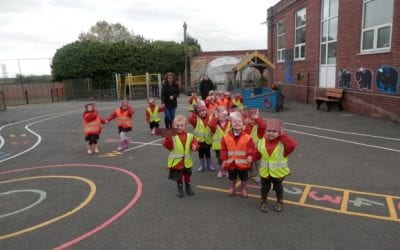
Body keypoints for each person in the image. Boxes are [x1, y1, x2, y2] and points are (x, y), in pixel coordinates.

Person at [254, 118, 297, 213]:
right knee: (264, 188)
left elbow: (293, 145)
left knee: (278, 187)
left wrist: (283, 135)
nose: (271, 133)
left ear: (279, 132)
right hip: (265, 172)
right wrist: (251, 159)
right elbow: (257, 153)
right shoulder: (262, 141)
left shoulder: (283, 144)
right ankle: (263, 201)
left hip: (278, 173)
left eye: (274, 131)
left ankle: (279, 201)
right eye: (269, 131)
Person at [220, 111, 255, 197]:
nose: (237, 123)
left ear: (243, 124)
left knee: (244, 178)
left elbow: (251, 147)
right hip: (231, 162)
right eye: (234, 121)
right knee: (232, 177)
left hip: (243, 163)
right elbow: (223, 150)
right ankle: (232, 188)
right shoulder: (225, 137)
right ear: (231, 124)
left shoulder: (248, 137)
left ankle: (243, 189)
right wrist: (224, 160)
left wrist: (250, 155)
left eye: (239, 121)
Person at [162, 115, 199, 197]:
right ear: (173, 126)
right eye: (177, 126)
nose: (179, 127)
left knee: (187, 175)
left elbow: (194, 142)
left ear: (185, 126)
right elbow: (168, 146)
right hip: (177, 162)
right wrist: (167, 138)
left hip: (187, 161)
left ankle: (188, 187)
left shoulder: (190, 135)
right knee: (179, 177)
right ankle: (180, 189)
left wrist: (195, 146)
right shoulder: (172, 136)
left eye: (182, 125)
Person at [188, 101, 215, 172]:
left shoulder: (210, 117)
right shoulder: (196, 119)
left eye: (204, 111)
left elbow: (213, 125)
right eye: (200, 111)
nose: (202, 112)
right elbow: (190, 119)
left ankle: (209, 165)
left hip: (208, 140)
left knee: (208, 153)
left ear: (206, 110)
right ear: (197, 113)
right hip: (199, 140)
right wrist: (194, 111)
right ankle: (201, 166)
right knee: (201, 153)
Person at [208, 106, 231, 178]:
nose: (222, 117)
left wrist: (229, 117)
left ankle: (227, 171)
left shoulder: (229, 123)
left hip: (228, 146)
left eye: (224, 116)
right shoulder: (215, 124)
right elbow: (210, 125)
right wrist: (216, 117)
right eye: (221, 116)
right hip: (218, 146)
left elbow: (238, 123)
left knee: (228, 159)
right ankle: (221, 171)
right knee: (220, 160)